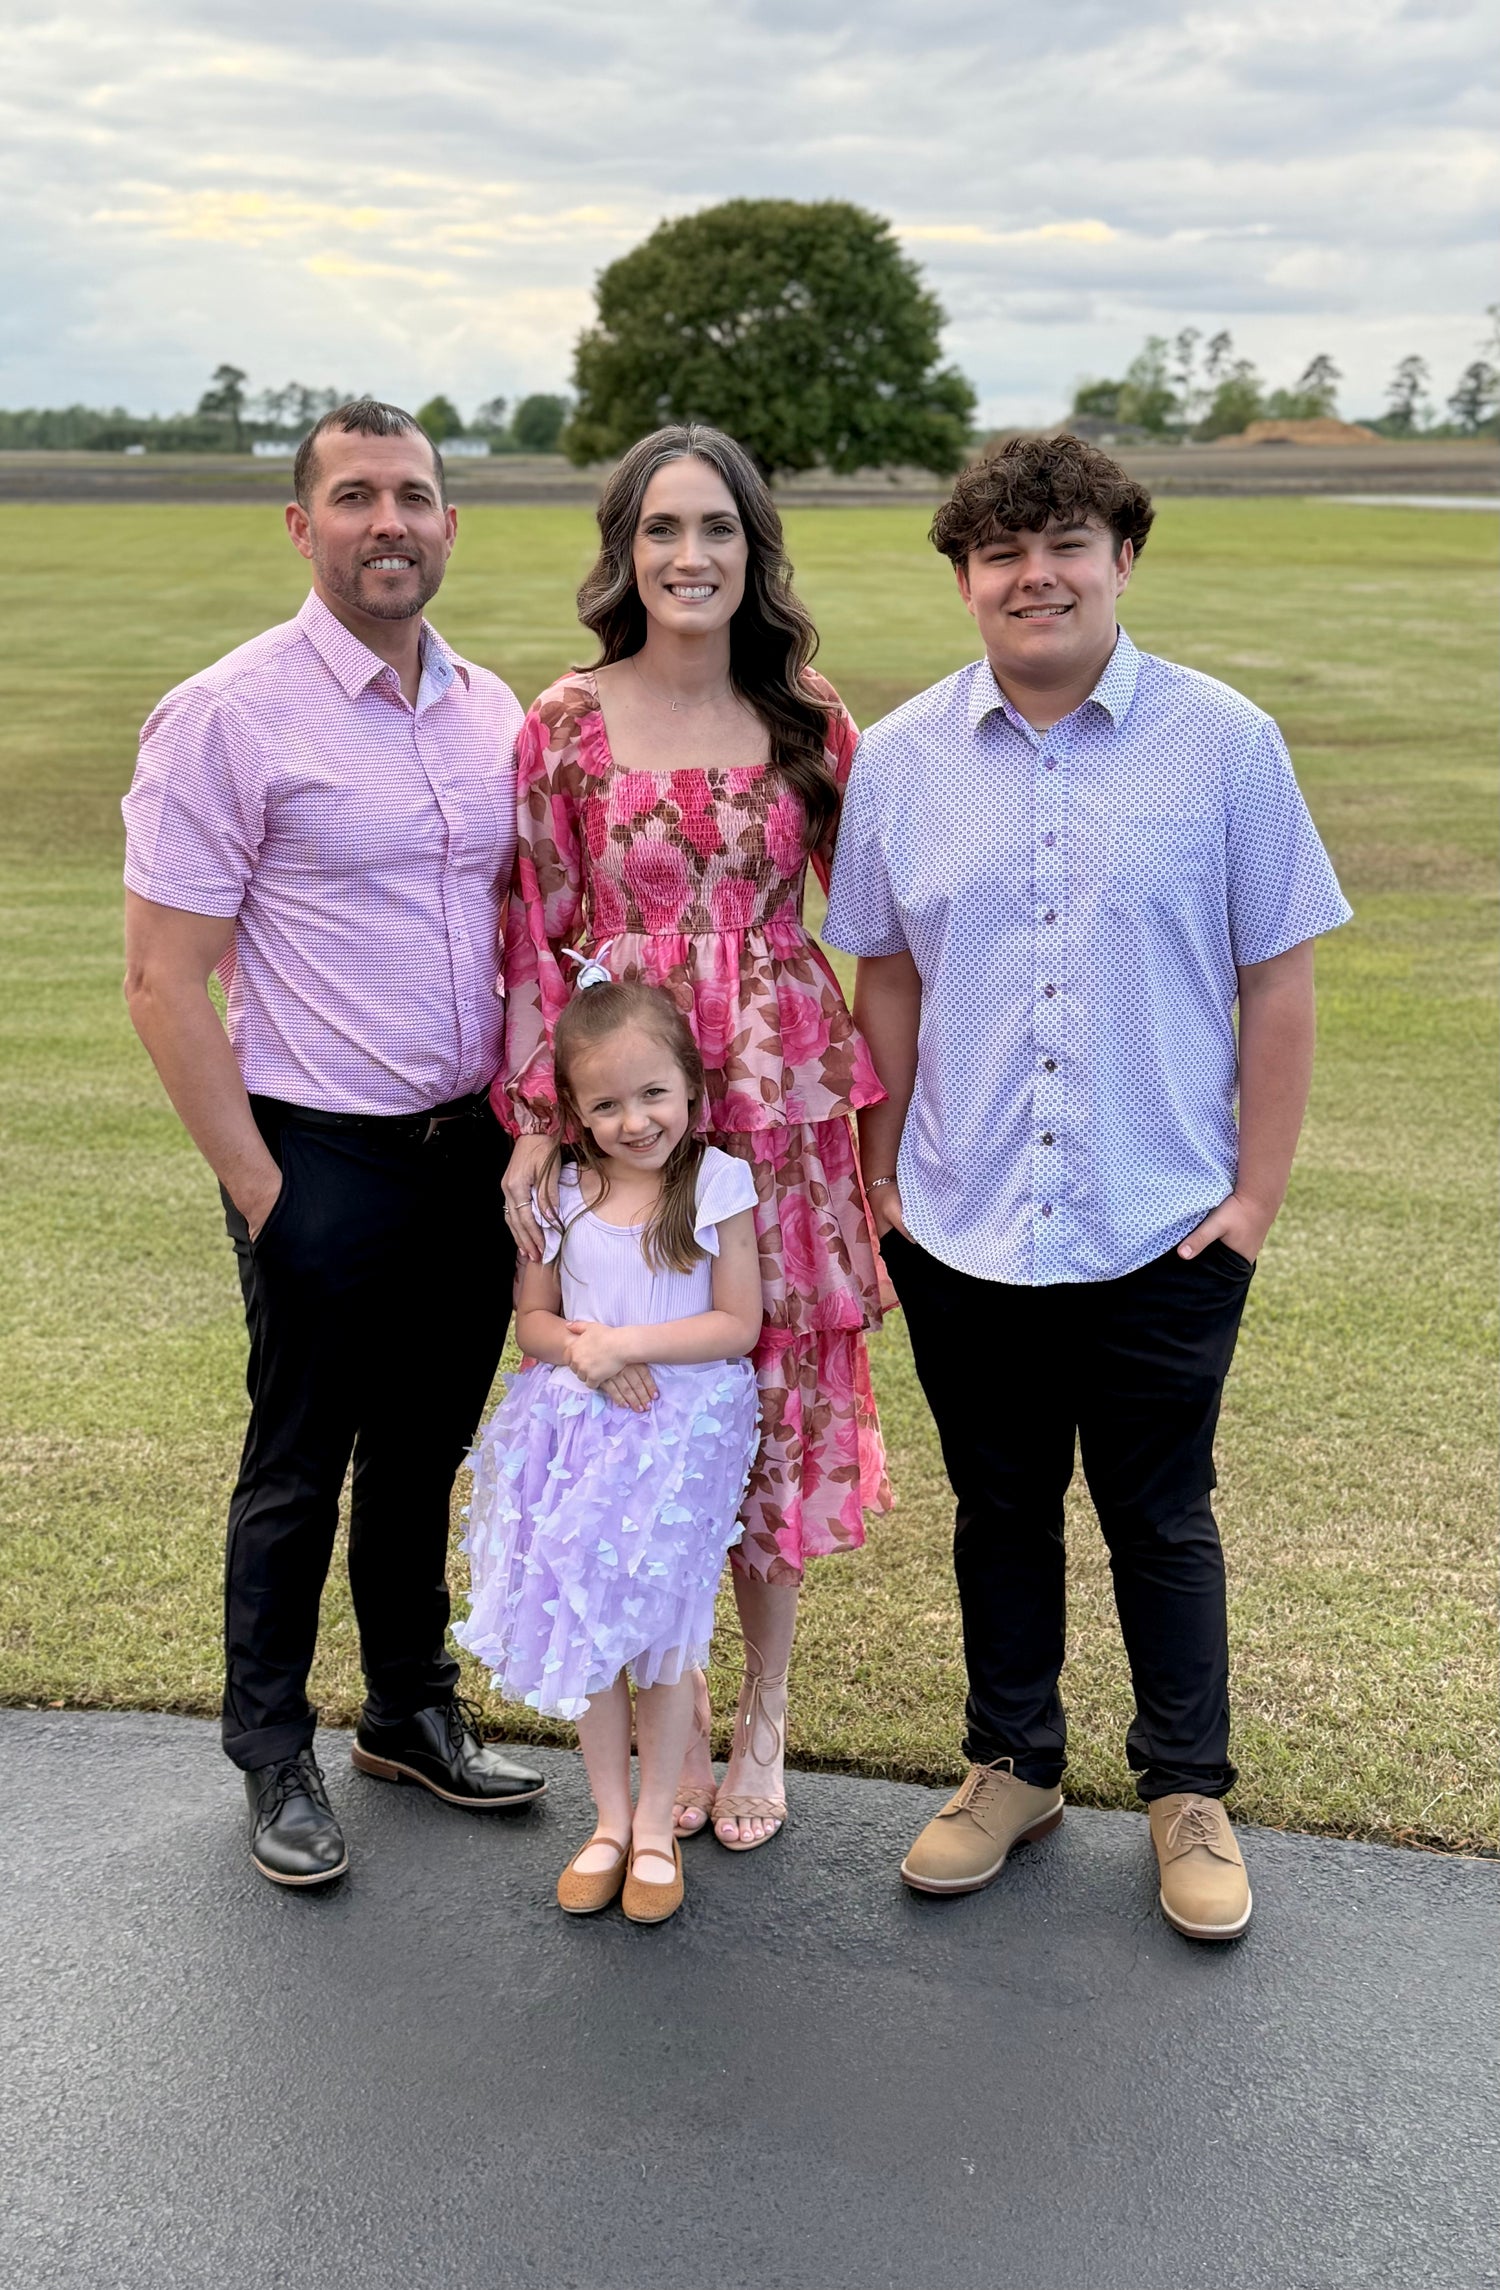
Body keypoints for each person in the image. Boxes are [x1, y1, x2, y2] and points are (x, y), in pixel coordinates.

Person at [825, 432, 1351, 1940]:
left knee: (1161, 1514)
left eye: (1065, 545)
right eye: (1001, 553)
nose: (1033, 575)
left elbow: (1280, 982)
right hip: (963, 1217)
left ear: (1123, 557)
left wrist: (1251, 1202)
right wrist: (882, 1182)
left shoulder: (1226, 744)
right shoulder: (906, 760)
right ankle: (1014, 1764)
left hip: (1159, 1218)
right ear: (967, 577)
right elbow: (888, 981)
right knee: (999, 1510)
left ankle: (1188, 1790)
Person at [121, 397, 545, 1890]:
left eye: (415, 495)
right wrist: (259, 1186)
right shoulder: (229, 714)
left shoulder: (497, 711)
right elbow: (163, 978)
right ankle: (270, 1744)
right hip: (318, 1151)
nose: (390, 522)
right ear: (302, 526)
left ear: (449, 522)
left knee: (426, 1443)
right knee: (300, 1458)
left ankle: (408, 1707)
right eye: (356, 496)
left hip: (468, 1151)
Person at [499, 424, 891, 1851]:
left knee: (772, 1409)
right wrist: (539, 1120)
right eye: (662, 530)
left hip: (779, 1116)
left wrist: (886, 1137)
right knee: (641, 1415)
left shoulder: (809, 717)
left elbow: (884, 926)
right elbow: (536, 939)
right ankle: (669, 1717)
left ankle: (766, 1715)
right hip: (627, 1125)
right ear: (625, 552)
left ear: (754, 549)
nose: (690, 556)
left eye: (716, 529)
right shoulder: (564, 723)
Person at [459, 972, 763, 1922]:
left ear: (691, 1089)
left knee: (665, 1637)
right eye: (606, 1104)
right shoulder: (562, 1192)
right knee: (591, 1626)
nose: (635, 1121)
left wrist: (623, 1345)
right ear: (577, 1115)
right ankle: (608, 1821)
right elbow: (535, 1325)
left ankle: (658, 1834)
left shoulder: (716, 1183)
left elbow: (737, 1324)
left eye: (653, 1095)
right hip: (579, 1434)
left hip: (685, 1434)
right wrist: (587, 1355)